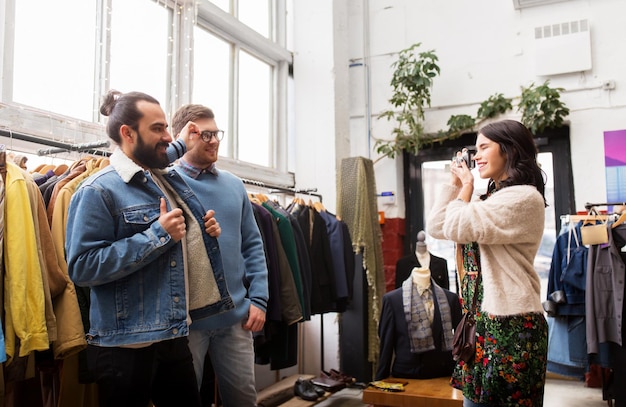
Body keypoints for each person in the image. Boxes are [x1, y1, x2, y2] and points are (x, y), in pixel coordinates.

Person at [65, 90, 234, 407]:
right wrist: (158, 235)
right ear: (127, 133)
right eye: (157, 128)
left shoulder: (158, 175)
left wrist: (202, 229)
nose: (167, 136)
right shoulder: (96, 190)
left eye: (168, 128)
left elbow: (170, 152)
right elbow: (83, 267)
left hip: (172, 335)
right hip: (126, 348)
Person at [426, 119, 548, 407]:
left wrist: (466, 186)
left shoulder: (523, 198)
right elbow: (436, 225)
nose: (477, 156)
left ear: (508, 150)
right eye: (475, 149)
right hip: (480, 325)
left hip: (512, 325)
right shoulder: (489, 199)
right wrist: (454, 184)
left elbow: (455, 224)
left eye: (484, 147)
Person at [170, 104, 269, 407]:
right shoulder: (164, 182)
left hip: (235, 318)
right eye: (204, 135)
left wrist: (260, 300)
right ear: (185, 137)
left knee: (242, 399)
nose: (213, 141)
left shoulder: (233, 184)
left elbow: (251, 244)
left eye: (216, 133)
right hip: (187, 322)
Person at [376, 266, 461, 380]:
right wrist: (381, 379)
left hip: (443, 373)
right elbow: (386, 343)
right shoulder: (393, 300)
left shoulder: (450, 298)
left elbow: (460, 339)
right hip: (406, 373)